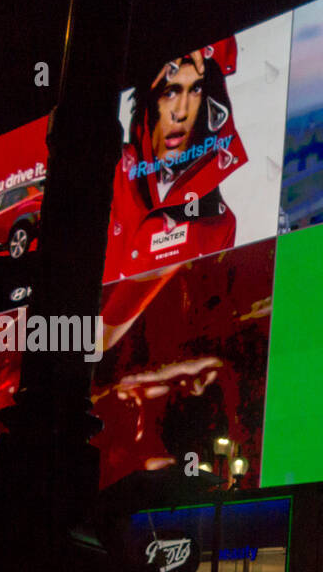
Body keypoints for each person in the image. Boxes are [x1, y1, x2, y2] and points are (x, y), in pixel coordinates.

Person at [101, 41, 249, 350]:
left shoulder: (217, 225)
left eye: (195, 90)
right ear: (149, 101)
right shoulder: (107, 169)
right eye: (170, 91)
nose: (181, 111)